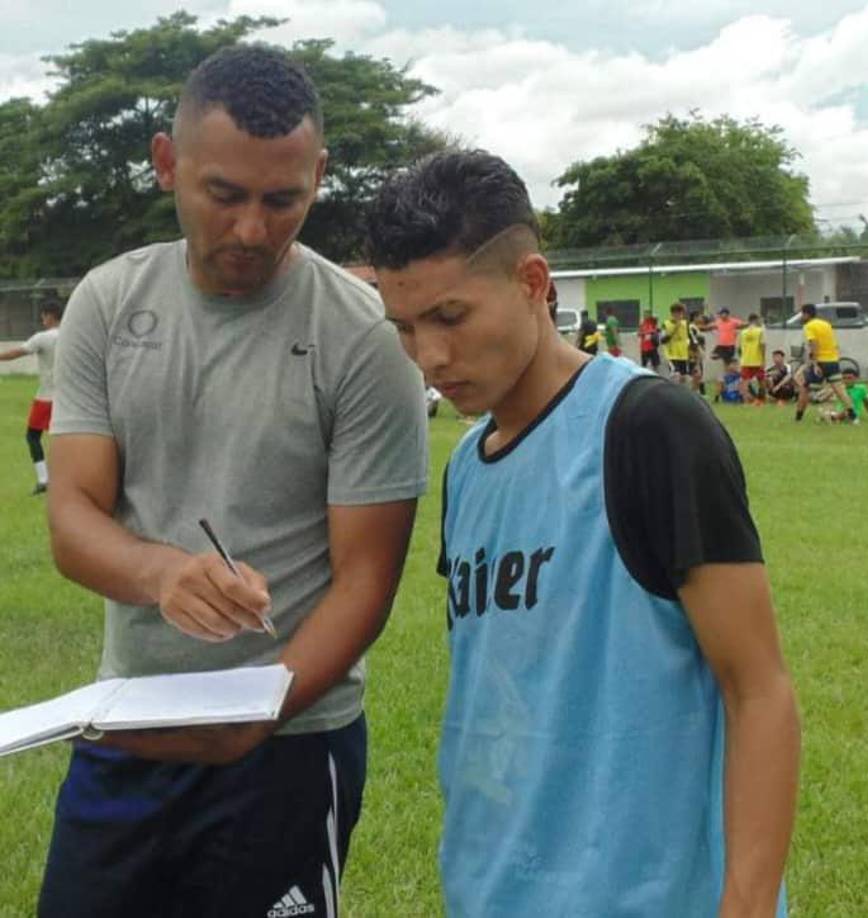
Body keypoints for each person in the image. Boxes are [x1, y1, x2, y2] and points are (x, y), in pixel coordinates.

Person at [40, 46, 427, 918]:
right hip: (128, 730)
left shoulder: (363, 337)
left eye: (281, 199)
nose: (252, 229)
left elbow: (367, 579)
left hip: (290, 744)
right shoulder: (107, 302)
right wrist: (165, 574)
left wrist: (260, 713)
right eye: (224, 194)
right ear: (166, 162)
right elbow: (71, 516)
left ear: (318, 177)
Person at [367, 149, 799, 918]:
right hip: (490, 889)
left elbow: (758, 690)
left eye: (450, 316)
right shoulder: (468, 465)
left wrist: (748, 903)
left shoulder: (648, 429)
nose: (429, 358)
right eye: (404, 327)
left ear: (534, 284)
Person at [0, 300, 62, 494]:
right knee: (63, 439)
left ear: (50, 315)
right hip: (70, 397)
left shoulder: (42, 338)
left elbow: (17, 352)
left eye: (43, 315)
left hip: (46, 397)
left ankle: (44, 480)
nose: (42, 319)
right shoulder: (73, 334)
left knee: (32, 436)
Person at [793, 302, 857, 423]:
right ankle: (853, 416)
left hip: (821, 362)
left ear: (807, 314)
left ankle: (798, 418)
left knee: (804, 388)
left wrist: (815, 363)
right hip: (833, 361)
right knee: (840, 390)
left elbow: (814, 344)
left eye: (802, 314)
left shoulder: (809, 326)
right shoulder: (826, 324)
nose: (801, 316)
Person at [738, 313, 766, 403]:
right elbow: (762, 345)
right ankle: (762, 399)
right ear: (756, 320)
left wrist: (742, 357)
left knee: (745, 381)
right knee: (761, 380)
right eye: (759, 320)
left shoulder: (743, 332)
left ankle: (745, 401)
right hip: (757, 360)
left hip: (745, 360)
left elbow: (739, 347)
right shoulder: (760, 331)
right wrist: (763, 359)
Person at [661, 302, 691, 382]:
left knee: (684, 378)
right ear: (673, 313)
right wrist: (675, 328)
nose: (680, 316)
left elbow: (690, 337)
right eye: (678, 313)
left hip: (683, 355)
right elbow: (663, 340)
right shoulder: (666, 324)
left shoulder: (685, 324)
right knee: (675, 375)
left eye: (682, 313)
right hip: (671, 355)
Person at [687, 308, 707, 395]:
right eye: (699, 316)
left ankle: (697, 392)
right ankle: (694, 393)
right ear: (694, 317)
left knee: (698, 374)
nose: (701, 318)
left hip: (696, 353)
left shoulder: (695, 327)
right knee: (696, 374)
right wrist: (698, 352)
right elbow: (693, 342)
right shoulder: (691, 327)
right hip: (693, 354)